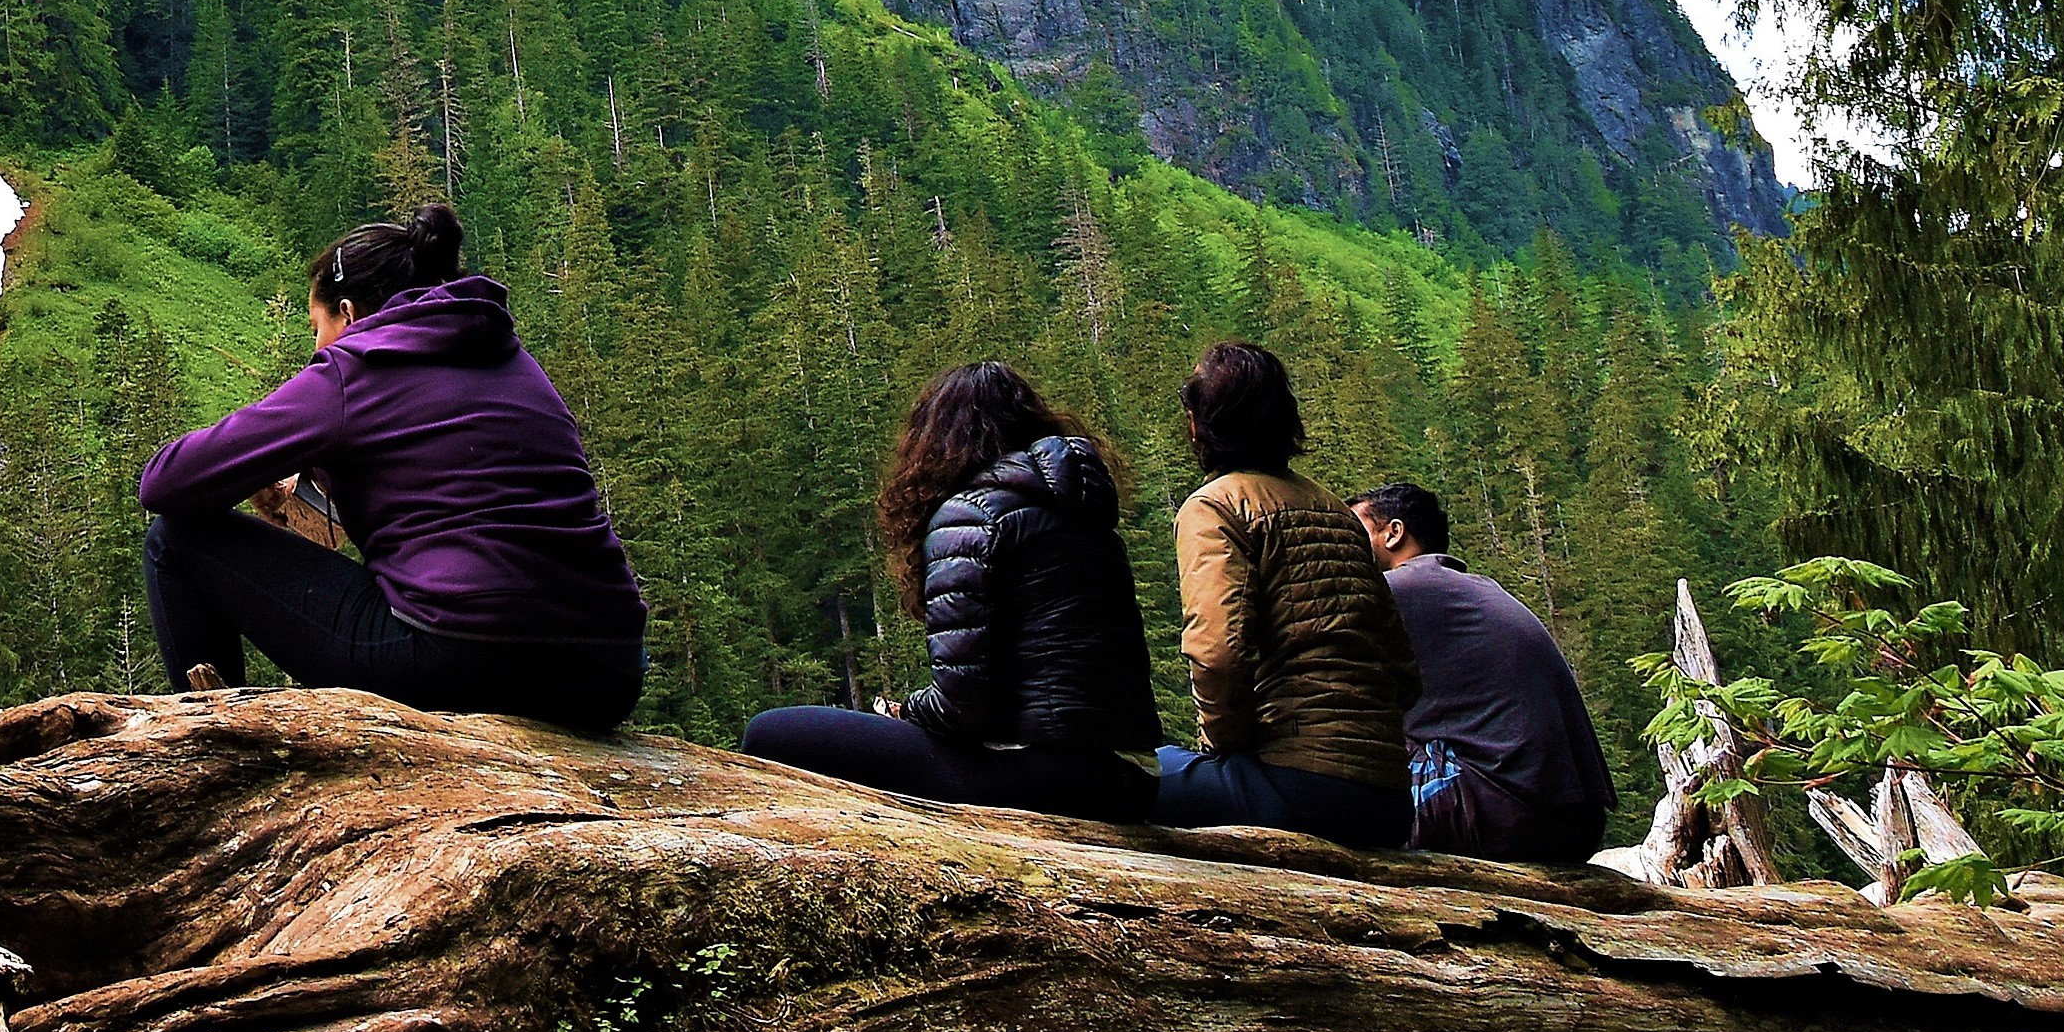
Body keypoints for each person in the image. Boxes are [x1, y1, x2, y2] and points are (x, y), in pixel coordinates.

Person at [133, 204, 649, 731]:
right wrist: (304, 487)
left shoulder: (353, 367)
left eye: (317, 326)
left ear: (349, 314)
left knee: (173, 540)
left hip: (466, 655)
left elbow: (164, 483)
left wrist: (250, 472)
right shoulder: (512, 359)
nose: (316, 346)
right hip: (608, 671)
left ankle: (216, 749)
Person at [741, 362, 1159, 818]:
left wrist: (905, 711)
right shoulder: (1086, 514)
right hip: (1133, 776)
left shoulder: (970, 517)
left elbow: (963, 708)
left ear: (935, 443)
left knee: (771, 733)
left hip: (1050, 774)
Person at [1152, 341, 1417, 848]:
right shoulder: (1339, 514)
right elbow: (1403, 672)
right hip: (1388, 802)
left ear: (1200, 425)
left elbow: (1218, 655)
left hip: (1299, 787)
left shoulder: (1216, 507)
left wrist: (1228, 747)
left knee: (1134, 773)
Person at [1351, 479, 1617, 864]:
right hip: (1573, 821)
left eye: (1353, 530)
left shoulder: (1399, 588)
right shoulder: (1467, 590)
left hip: (1506, 810)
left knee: (1336, 770)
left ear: (1394, 533)